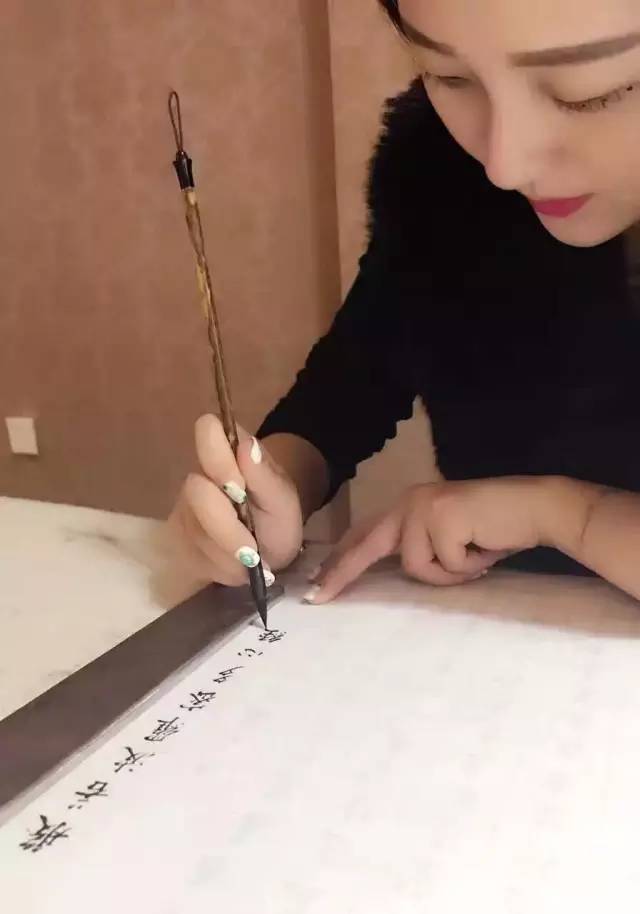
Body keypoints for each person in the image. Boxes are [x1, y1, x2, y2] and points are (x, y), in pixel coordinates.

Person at [167, 0, 640, 606]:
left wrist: (566, 516)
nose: (504, 165)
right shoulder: (440, 180)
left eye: (585, 93)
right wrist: (269, 490)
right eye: (450, 76)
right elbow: (352, 380)